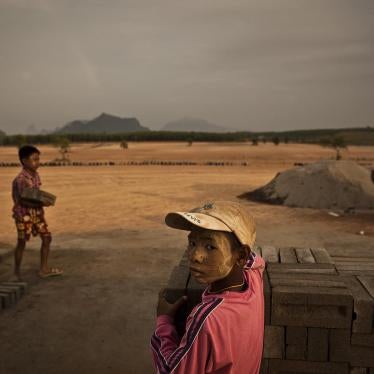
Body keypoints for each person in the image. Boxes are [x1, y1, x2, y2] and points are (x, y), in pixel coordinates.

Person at [151, 201, 265, 373]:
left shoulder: (207, 319)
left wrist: (164, 321)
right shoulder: (253, 281)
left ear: (240, 256)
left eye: (210, 247)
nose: (195, 256)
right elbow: (255, 260)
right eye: (192, 243)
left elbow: (170, 370)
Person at [11, 144, 63, 280]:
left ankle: (44, 269)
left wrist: (43, 202)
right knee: (21, 242)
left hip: (36, 213)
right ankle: (16, 273)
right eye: (34, 160)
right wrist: (43, 203)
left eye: (38, 159)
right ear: (24, 161)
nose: (38, 163)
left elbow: (36, 194)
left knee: (47, 238)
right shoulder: (21, 180)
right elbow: (24, 201)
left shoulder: (35, 175)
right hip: (23, 214)